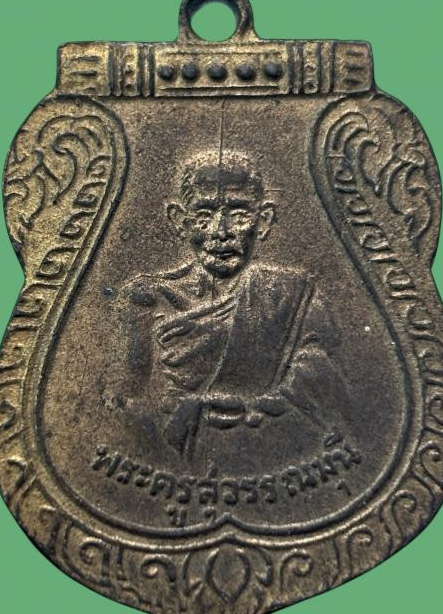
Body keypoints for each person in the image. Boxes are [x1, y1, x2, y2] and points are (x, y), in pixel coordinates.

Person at [107, 151, 351, 460]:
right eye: (204, 216)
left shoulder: (293, 295)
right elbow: (124, 401)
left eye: (238, 215)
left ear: (263, 220)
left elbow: (329, 400)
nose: (221, 232)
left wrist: (233, 405)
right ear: (180, 221)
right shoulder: (147, 298)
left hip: (270, 452)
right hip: (169, 456)